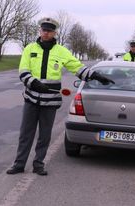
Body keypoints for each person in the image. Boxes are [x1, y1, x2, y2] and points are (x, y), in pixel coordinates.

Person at [6, 17, 113, 176]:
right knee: (25, 134)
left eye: (49, 31)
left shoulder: (62, 51)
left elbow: (77, 68)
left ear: (54, 32)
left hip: (50, 101)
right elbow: (23, 70)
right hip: (31, 98)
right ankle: (19, 164)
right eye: (44, 30)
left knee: (44, 135)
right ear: (40, 31)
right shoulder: (29, 48)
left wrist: (95, 76)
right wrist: (33, 83)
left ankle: (38, 164)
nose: (46, 33)